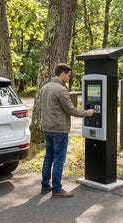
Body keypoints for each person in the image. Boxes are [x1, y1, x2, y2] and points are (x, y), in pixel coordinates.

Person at [39, 63, 94, 198]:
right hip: (59, 130)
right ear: (62, 74)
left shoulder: (44, 88)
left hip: (47, 128)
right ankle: (57, 189)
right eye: (68, 75)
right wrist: (87, 113)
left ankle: (45, 186)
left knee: (48, 157)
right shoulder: (61, 89)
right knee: (58, 160)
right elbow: (71, 110)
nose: (68, 78)